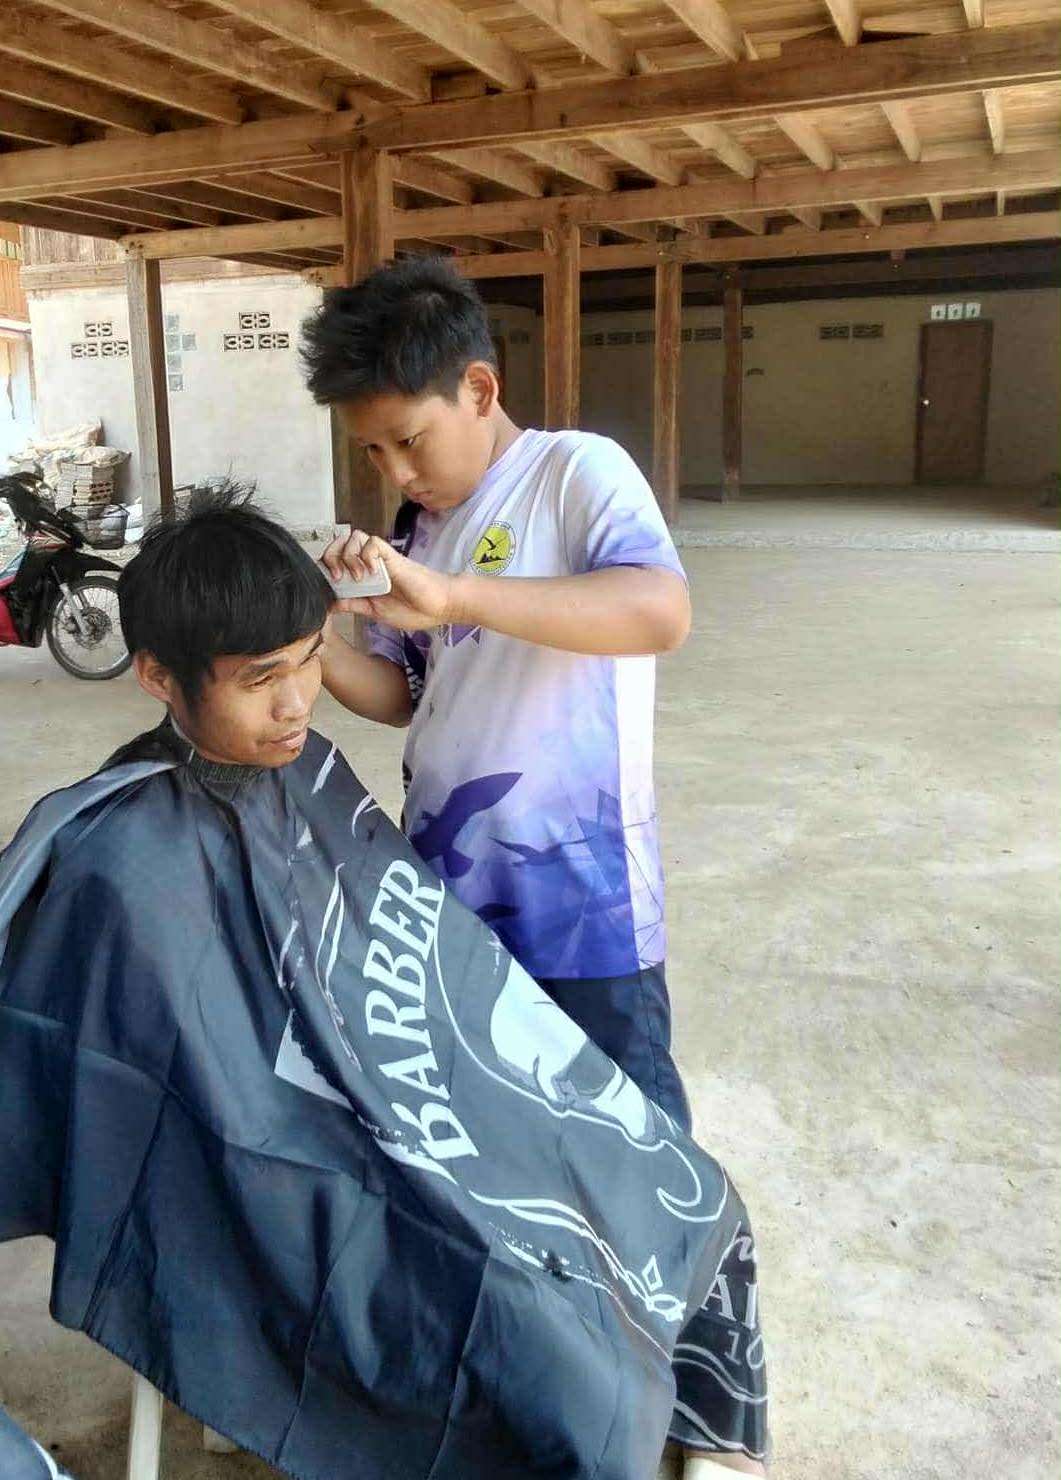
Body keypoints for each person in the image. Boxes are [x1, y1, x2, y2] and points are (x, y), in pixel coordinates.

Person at [0, 487, 767, 1480]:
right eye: (259, 679)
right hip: (298, 1168)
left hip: (415, 1084)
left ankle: (694, 1414)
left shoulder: (299, 768)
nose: (295, 704)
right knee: (537, 1329)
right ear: (158, 676)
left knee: (684, 1190)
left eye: (308, 661)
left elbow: (409, 945)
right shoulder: (122, 863)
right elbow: (184, 1108)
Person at [302, 257, 694, 1156]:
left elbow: (659, 612)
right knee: (500, 1124)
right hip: (451, 888)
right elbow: (405, 697)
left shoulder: (575, 471)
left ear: (479, 387)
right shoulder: (418, 532)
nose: (395, 470)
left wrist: (456, 598)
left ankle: (683, 1299)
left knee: (631, 1136)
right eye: (371, 449)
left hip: (581, 894)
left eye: (408, 439)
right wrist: (320, 640)